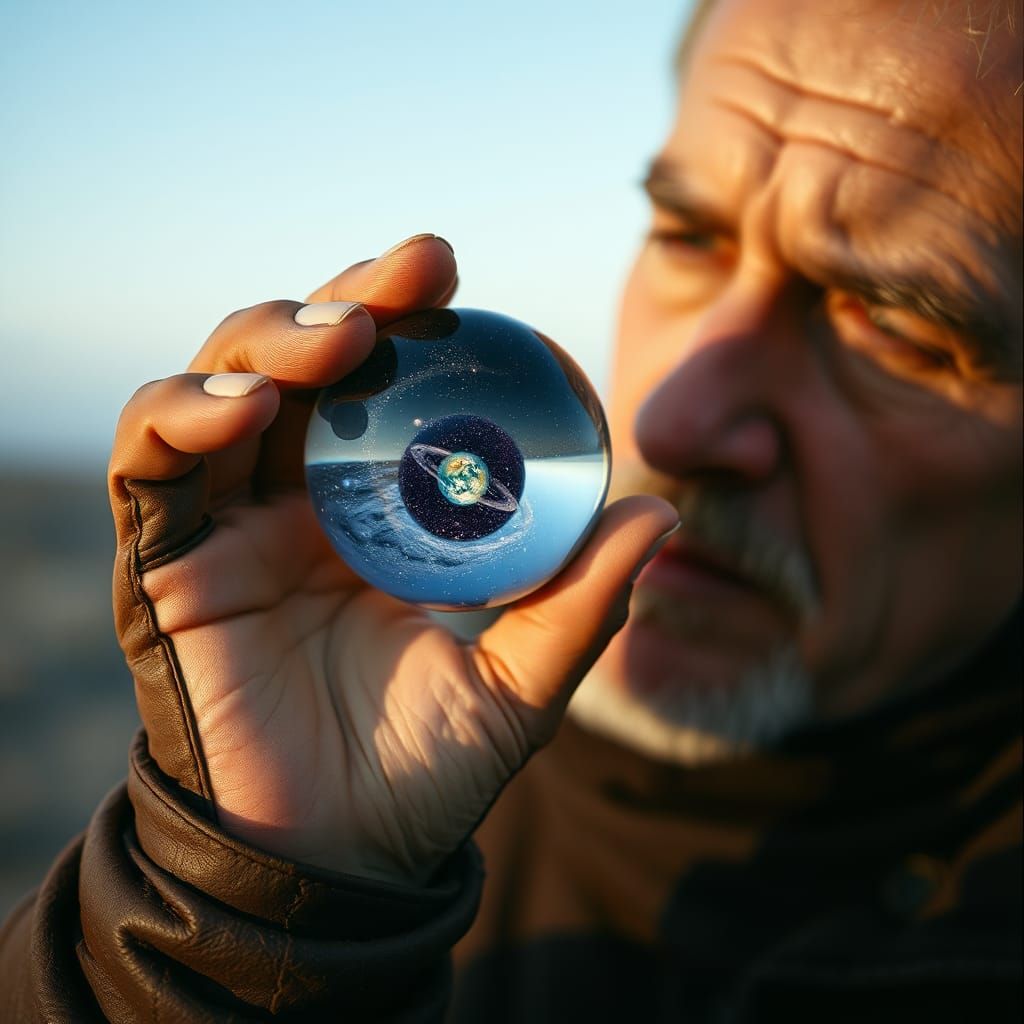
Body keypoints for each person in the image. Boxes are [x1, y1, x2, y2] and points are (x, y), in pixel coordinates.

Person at [1, 0, 1020, 1018]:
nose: (675, 418)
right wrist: (243, 915)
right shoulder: (406, 742)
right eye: (688, 234)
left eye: (896, 324)